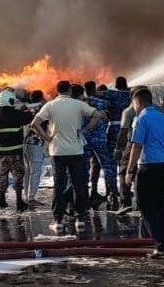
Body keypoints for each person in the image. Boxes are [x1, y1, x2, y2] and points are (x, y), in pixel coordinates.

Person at [31, 80, 104, 232]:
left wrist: (47, 137)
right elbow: (97, 115)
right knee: (79, 184)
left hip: (57, 151)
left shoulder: (50, 105)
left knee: (59, 184)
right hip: (76, 150)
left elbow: (34, 124)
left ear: (57, 91)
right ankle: (80, 219)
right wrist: (85, 130)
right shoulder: (78, 105)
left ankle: (57, 220)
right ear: (70, 90)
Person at [125, 88, 164, 259]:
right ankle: (163, 242)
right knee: (161, 203)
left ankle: (159, 244)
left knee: (146, 204)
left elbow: (137, 146)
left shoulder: (142, 119)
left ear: (138, 102)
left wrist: (130, 171)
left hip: (149, 167)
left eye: (134, 104)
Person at [0, 90, 35, 211]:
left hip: (2, 152)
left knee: (3, 175)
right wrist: (26, 109)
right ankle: (18, 201)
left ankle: (2, 200)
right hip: (16, 152)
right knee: (18, 176)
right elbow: (29, 117)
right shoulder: (17, 114)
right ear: (10, 101)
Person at [83, 81, 118, 209]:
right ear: (94, 89)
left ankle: (86, 195)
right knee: (107, 166)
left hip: (85, 140)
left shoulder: (81, 103)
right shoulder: (102, 103)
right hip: (100, 139)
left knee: (85, 167)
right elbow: (109, 111)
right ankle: (113, 193)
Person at [23, 90, 47, 205]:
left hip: (27, 142)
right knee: (35, 171)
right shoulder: (42, 110)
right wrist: (46, 137)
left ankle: (27, 196)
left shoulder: (28, 109)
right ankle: (31, 198)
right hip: (36, 143)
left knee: (28, 171)